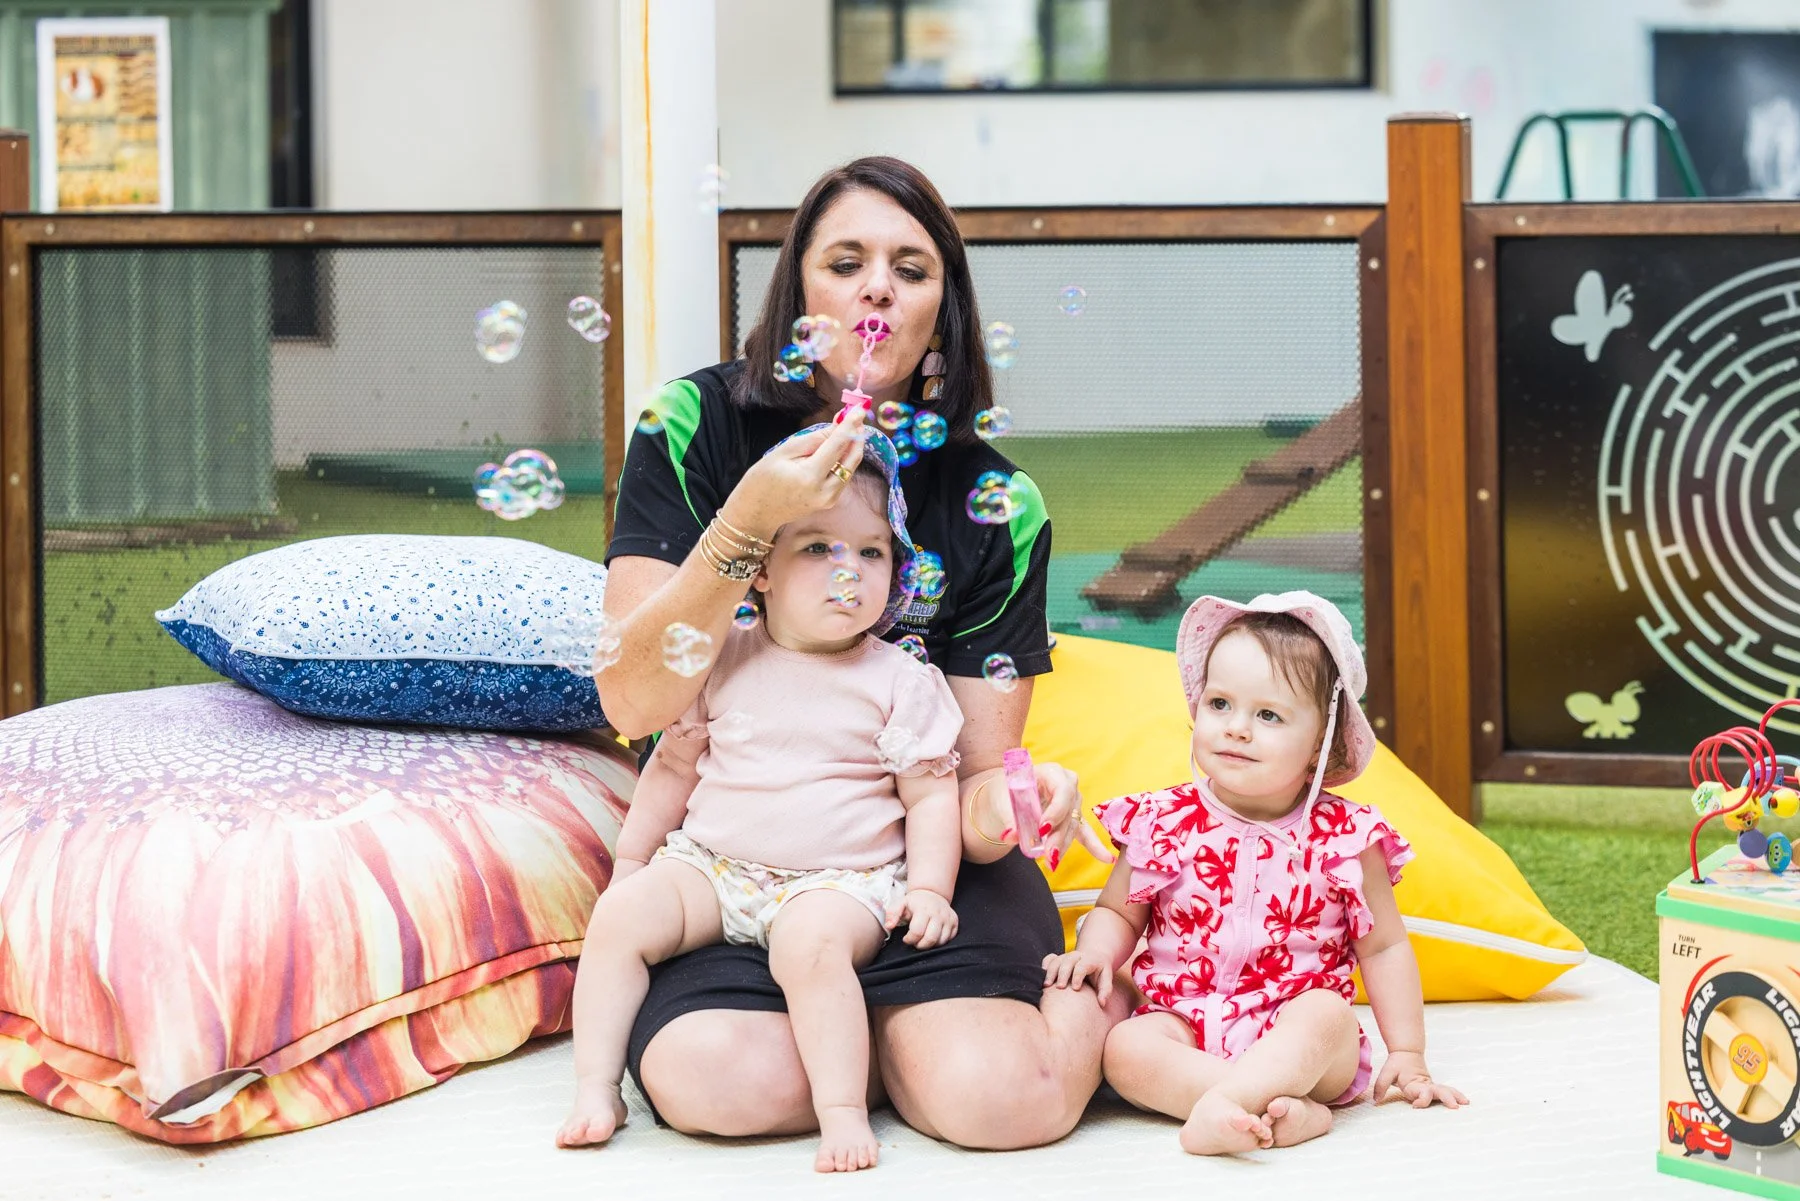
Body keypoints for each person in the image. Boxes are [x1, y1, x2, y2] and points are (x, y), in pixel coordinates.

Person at [596, 155, 1116, 1149]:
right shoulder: (697, 426)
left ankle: (1075, 1004)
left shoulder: (995, 502)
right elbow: (630, 695)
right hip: (737, 855)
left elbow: (967, 786)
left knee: (1003, 1102)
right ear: (801, 292)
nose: (879, 286)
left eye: (911, 270)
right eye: (846, 260)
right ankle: (874, 1032)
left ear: (941, 315)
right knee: (728, 1087)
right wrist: (749, 519)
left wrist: (1014, 797)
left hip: (916, 875)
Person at [558, 439, 965, 1172]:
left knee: (808, 947)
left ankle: (840, 1108)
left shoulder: (898, 679)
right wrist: (630, 860)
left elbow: (931, 791)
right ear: (764, 572)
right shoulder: (726, 655)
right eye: (818, 548)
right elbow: (674, 767)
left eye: (872, 553)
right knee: (620, 915)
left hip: (840, 880)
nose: (850, 571)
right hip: (715, 866)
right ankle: (597, 1085)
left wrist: (931, 887)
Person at [1042, 592, 1468, 1154]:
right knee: (1125, 1048)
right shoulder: (1164, 820)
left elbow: (1385, 948)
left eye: (1267, 715)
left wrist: (1408, 1054)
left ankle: (1225, 1106)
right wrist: (1097, 953)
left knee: (1329, 1014)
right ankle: (1270, 1111)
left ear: (1322, 743)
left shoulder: (1347, 836)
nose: (1237, 728)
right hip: (1185, 1021)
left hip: (1301, 1037)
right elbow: (1118, 910)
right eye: (1219, 704)